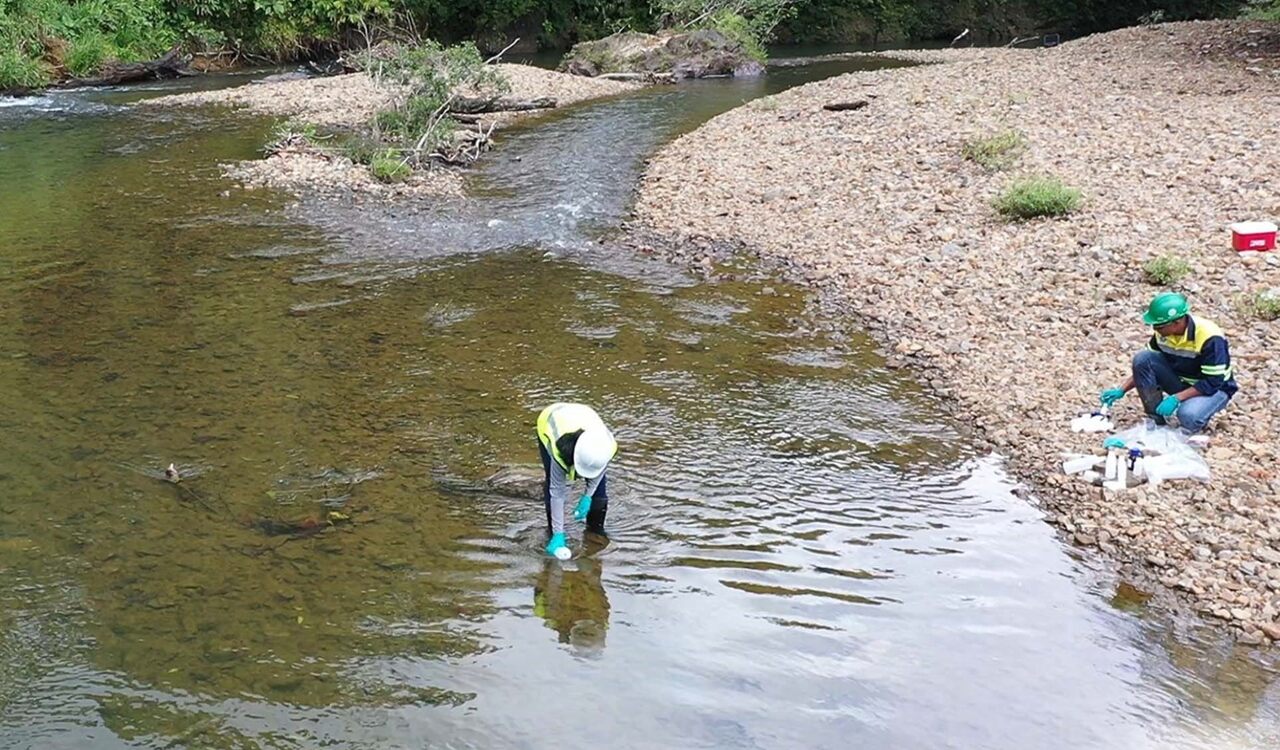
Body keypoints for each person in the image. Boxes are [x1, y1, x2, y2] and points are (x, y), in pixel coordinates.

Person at [1099, 292, 1237, 433]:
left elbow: (1214, 381)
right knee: (1143, 357)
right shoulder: (1163, 333)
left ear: (1177, 323)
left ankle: (1199, 416)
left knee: (1188, 416)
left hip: (1214, 389)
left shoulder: (1210, 337)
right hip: (1182, 381)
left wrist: (1176, 398)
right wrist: (1121, 390)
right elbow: (1144, 366)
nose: (1155, 330)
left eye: (1159, 326)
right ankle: (1156, 420)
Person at [535, 402, 617, 558]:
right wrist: (559, 534)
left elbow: (599, 472)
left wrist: (588, 496)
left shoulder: (606, 446)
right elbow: (557, 491)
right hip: (550, 420)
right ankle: (553, 535)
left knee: (599, 493)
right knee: (552, 483)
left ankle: (595, 533)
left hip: (584, 416)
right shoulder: (559, 450)